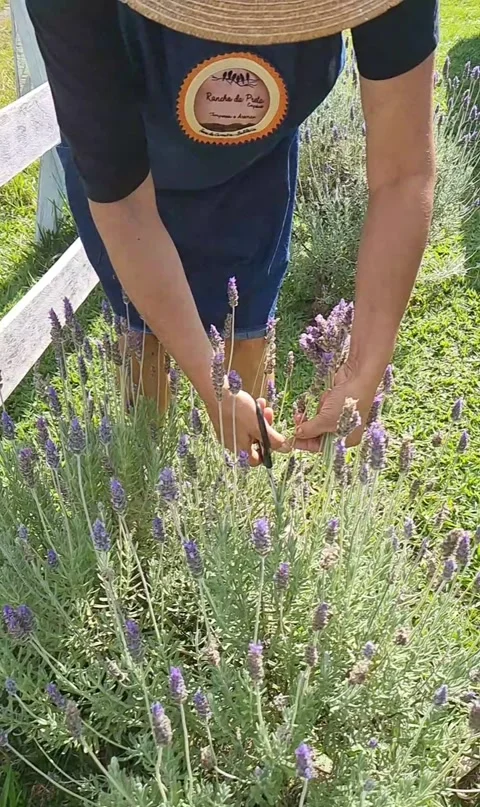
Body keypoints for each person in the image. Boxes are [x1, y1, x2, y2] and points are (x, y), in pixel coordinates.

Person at [26, 0, 438, 462]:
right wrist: (211, 383)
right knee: (143, 346)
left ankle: (237, 487)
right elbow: (125, 209)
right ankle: (146, 467)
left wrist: (366, 365)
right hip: (129, 187)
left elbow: (404, 175)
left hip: (256, 173)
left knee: (247, 331)